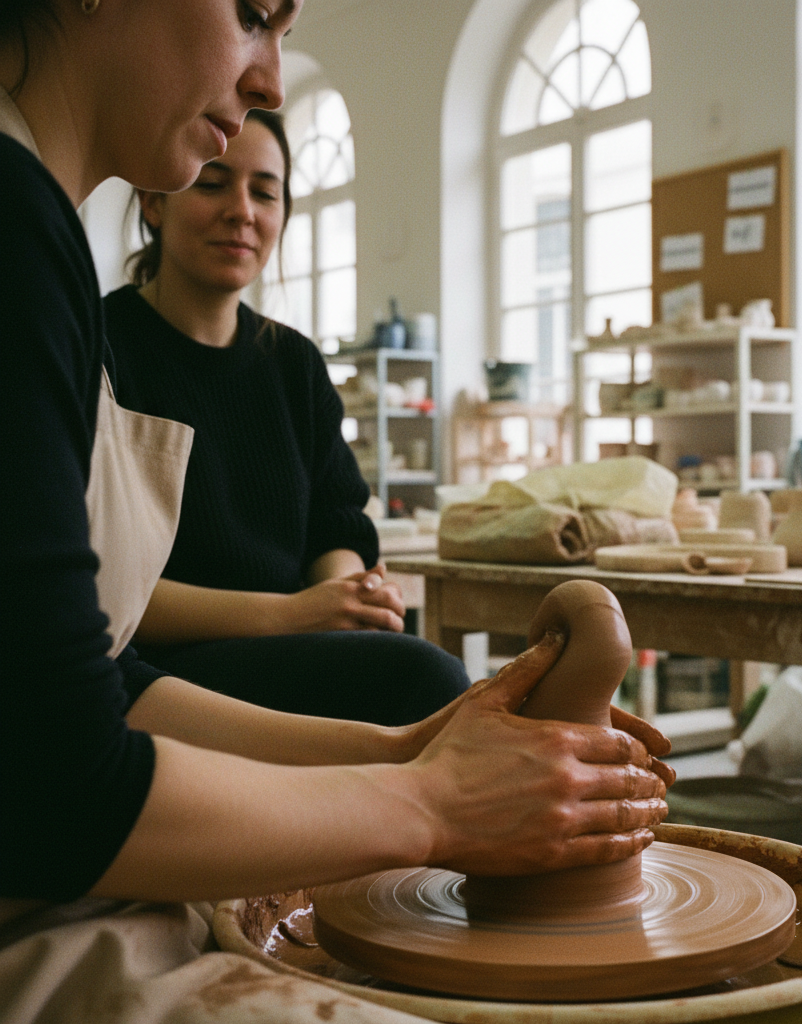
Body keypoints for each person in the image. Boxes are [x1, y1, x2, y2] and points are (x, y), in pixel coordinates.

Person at [0, 0, 671, 1019]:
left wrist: (411, 748)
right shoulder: (31, 247)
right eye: (254, 14)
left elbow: (94, 683)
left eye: (266, 192)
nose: (270, 78)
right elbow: (63, 784)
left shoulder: (48, 231)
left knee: (414, 685)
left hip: (74, 791)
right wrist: (439, 802)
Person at [103, 108, 470, 726]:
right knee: (428, 680)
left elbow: (338, 527)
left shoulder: (293, 362)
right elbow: (105, 588)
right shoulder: (103, 345)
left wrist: (348, 598)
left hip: (292, 641)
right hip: (156, 665)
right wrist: (298, 613)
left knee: (434, 677)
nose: (242, 211)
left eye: (264, 192)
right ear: (154, 203)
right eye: (213, 183)